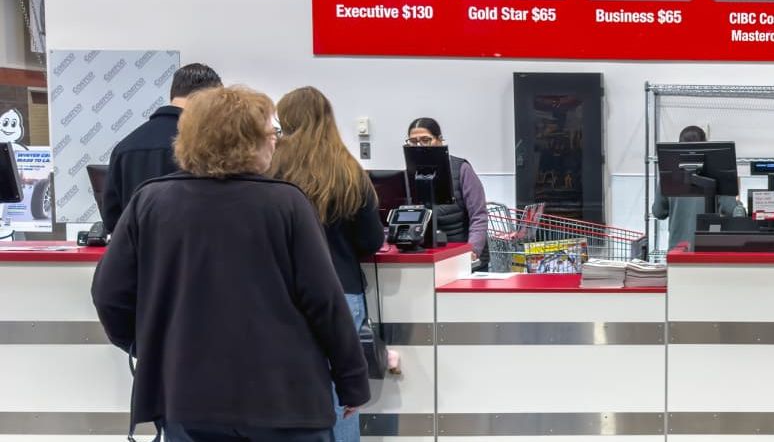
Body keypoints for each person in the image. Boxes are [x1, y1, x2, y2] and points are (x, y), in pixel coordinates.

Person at [91, 86, 369, 442]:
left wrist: (148, 345)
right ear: (247, 141)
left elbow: (108, 295)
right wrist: (351, 380)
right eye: (271, 133)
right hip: (283, 397)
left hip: (187, 397)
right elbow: (324, 302)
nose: (275, 142)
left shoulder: (150, 202)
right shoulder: (286, 204)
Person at [270, 87, 384, 442]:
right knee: (342, 392)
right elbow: (370, 241)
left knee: (283, 386)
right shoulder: (348, 170)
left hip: (281, 292)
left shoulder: (271, 169)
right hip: (341, 290)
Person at [100, 62, 221, 232]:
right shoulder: (206, 144)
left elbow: (112, 220)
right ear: (207, 98)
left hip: (142, 254)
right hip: (188, 252)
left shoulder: (125, 147)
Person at [407, 118, 488, 268]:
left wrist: (473, 250)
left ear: (439, 140)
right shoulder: (410, 174)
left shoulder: (462, 169)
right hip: (429, 255)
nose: (419, 146)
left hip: (463, 254)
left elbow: (479, 216)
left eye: (426, 140)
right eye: (413, 141)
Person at [652, 125, 744, 249]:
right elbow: (732, 209)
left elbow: (658, 212)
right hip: (706, 252)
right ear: (705, 146)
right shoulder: (716, 174)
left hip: (677, 253)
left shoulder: (668, 175)